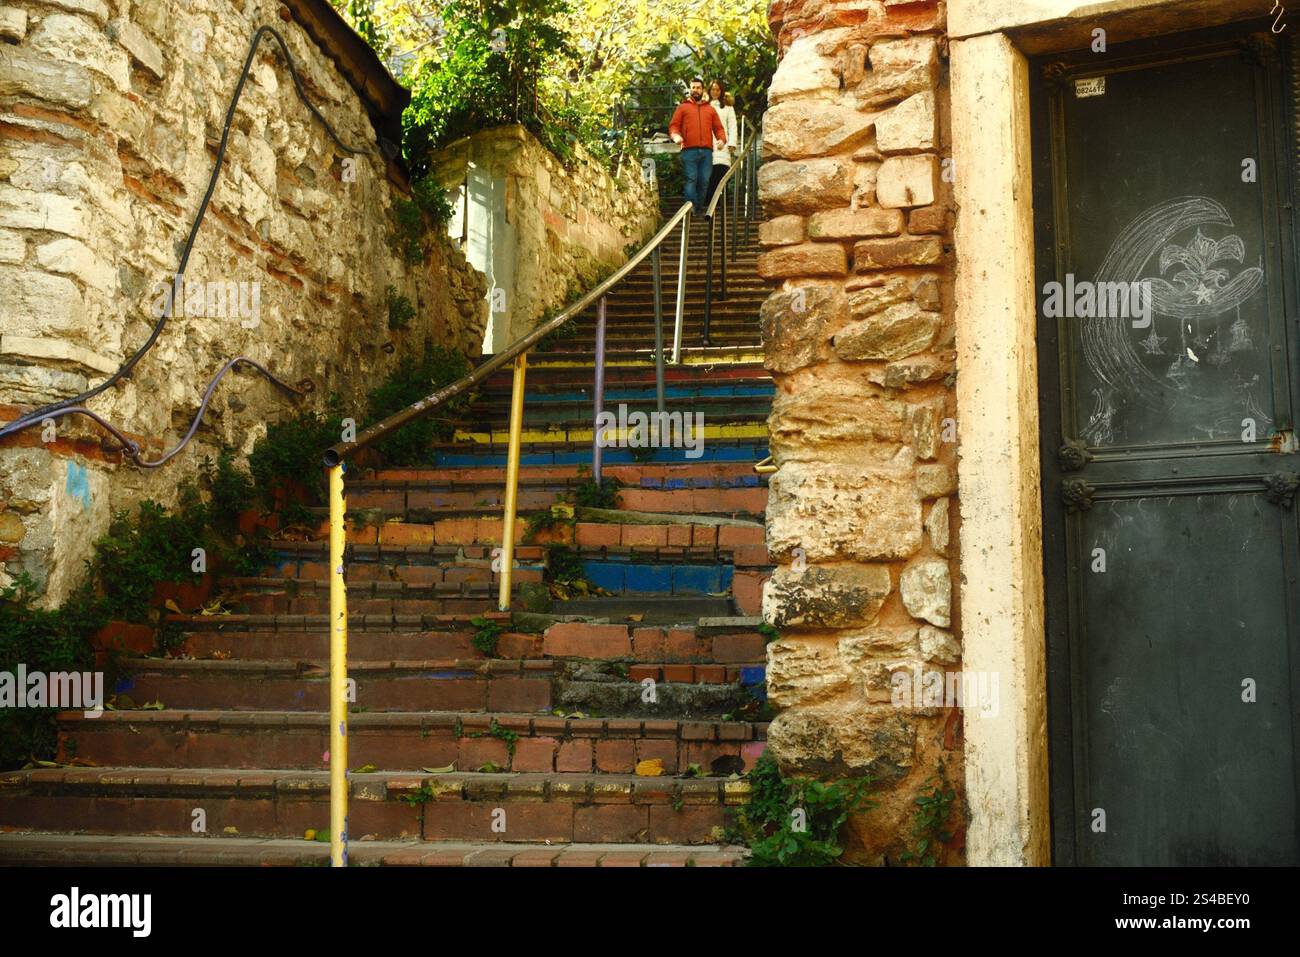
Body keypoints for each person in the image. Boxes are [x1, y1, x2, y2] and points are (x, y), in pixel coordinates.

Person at [668, 78, 726, 216]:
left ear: (702, 90)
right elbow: (673, 126)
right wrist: (676, 136)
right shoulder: (682, 107)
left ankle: (698, 207)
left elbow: (718, 128)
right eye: (693, 87)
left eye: (698, 88)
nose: (695, 90)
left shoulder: (710, 110)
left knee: (704, 181)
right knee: (691, 179)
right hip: (689, 150)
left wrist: (722, 140)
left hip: (706, 151)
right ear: (690, 89)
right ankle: (691, 209)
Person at [705, 82, 738, 206]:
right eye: (713, 89)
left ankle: (720, 201)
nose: (715, 92)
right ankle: (710, 202)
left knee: (721, 172)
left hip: (722, 145)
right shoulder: (704, 106)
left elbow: (732, 126)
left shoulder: (728, 108)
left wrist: (732, 143)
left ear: (721, 91)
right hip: (707, 145)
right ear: (709, 91)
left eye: (717, 90)